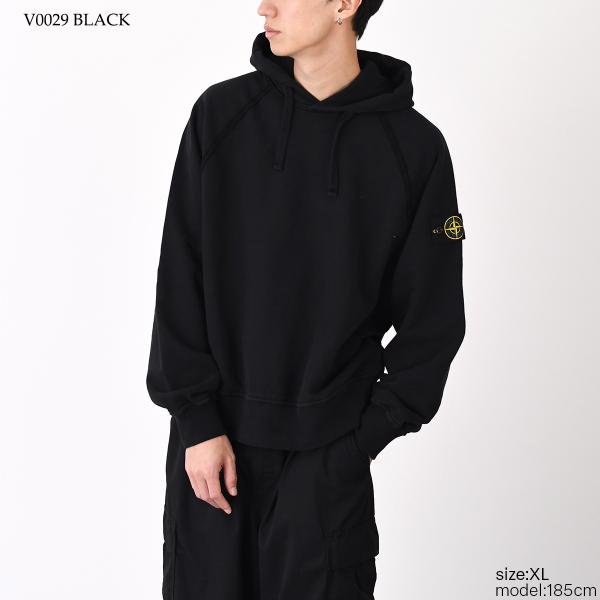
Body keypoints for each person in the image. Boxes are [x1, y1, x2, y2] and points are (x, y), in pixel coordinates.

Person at [145, 1, 466, 598]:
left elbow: (434, 322)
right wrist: (196, 421)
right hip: (214, 452)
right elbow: (179, 276)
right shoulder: (221, 116)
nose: (263, 7)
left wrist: (357, 444)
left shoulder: (415, 148)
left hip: (327, 467)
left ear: (344, 4)